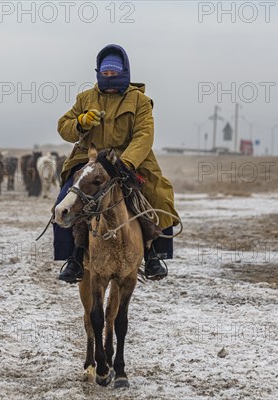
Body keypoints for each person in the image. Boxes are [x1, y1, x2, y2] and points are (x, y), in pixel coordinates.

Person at [54, 44, 179, 283]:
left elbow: (144, 134)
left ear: (124, 72)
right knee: (63, 201)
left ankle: (155, 254)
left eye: (114, 73)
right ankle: (73, 257)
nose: (109, 77)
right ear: (99, 73)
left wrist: (127, 162)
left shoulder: (140, 101)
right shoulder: (85, 98)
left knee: (160, 195)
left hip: (129, 160)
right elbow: (64, 128)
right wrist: (80, 122)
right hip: (90, 160)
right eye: (105, 73)